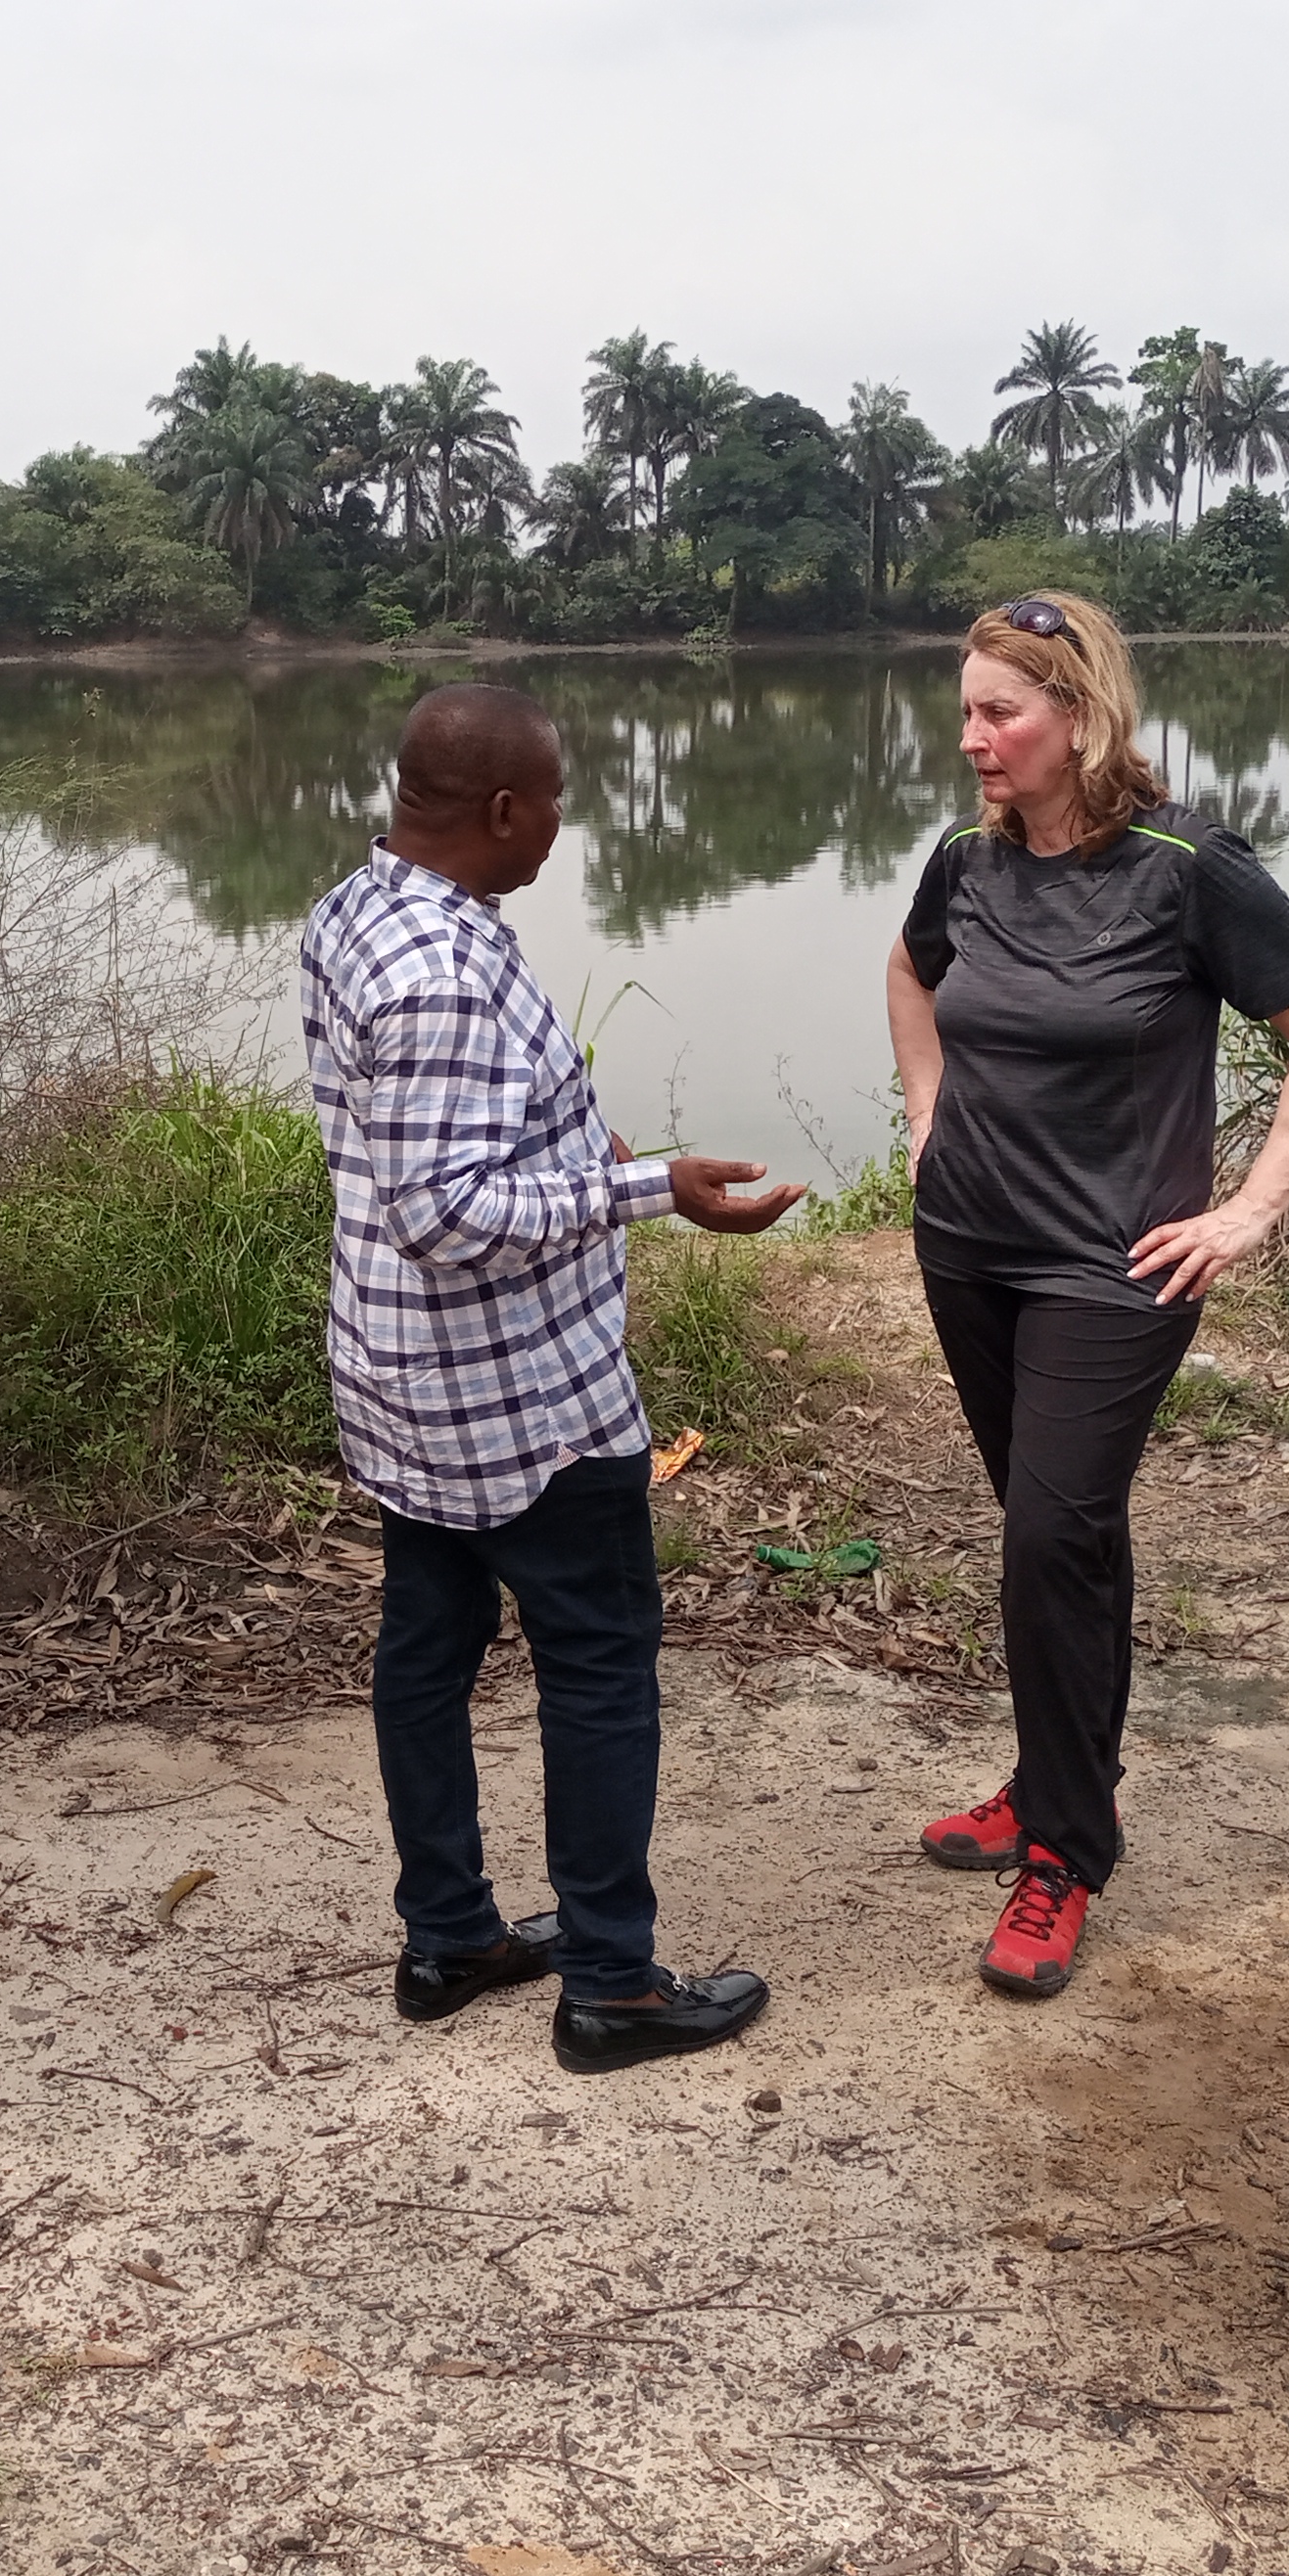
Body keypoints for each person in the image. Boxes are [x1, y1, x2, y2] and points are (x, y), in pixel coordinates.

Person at [301, 684, 802, 2074]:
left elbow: (432, 1142)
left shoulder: (362, 911)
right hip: (518, 1396)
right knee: (597, 1665)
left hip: (403, 1380)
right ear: (504, 809)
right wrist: (649, 1191)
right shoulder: (447, 971)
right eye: (559, 802)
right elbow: (447, 1211)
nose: (563, 828)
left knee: (428, 1651)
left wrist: (585, 1152)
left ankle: (452, 1933)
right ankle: (615, 1986)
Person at [884, 593, 1289, 1999]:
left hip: (1113, 1266)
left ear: (1082, 719)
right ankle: (1050, 1784)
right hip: (967, 1244)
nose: (971, 739)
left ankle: (1066, 1854)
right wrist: (927, 1120)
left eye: (1000, 713)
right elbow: (914, 976)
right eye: (966, 710)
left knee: (1051, 1531)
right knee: (1063, 1537)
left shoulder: (1186, 865)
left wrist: (1249, 1213)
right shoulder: (965, 861)